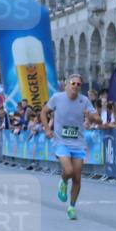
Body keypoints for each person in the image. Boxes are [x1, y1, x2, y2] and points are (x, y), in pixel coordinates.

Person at [41, 73, 100, 220]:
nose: (76, 86)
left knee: (77, 178)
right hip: (61, 141)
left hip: (78, 143)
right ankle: (63, 181)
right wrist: (47, 129)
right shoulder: (57, 97)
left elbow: (98, 119)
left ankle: (72, 207)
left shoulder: (84, 100)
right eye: (73, 83)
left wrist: (92, 117)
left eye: (78, 84)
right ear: (66, 84)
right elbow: (43, 112)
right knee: (68, 171)